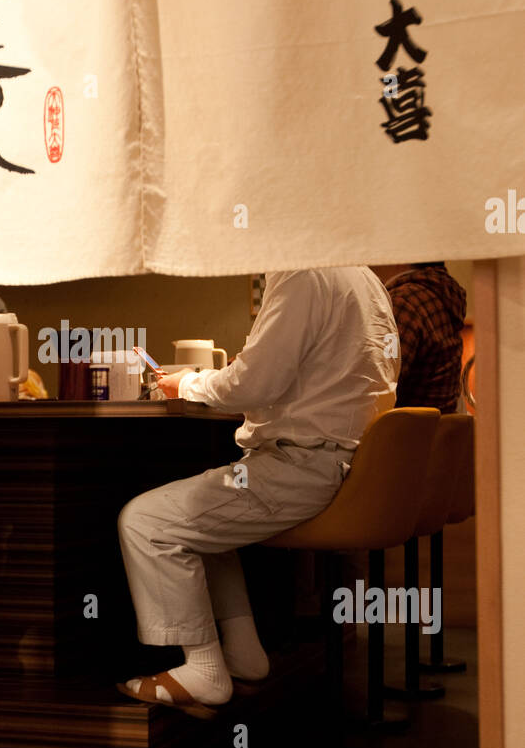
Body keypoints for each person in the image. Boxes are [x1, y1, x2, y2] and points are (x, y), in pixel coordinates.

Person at [116, 268, 399, 719]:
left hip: (304, 465)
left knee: (147, 522)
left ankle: (204, 671)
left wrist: (187, 384)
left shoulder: (302, 269)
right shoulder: (363, 275)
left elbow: (255, 383)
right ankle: (244, 652)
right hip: (347, 465)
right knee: (202, 526)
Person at [372, 263, 466, 414]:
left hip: (400, 434)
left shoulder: (404, 302)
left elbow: (379, 386)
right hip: (432, 434)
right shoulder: (437, 293)